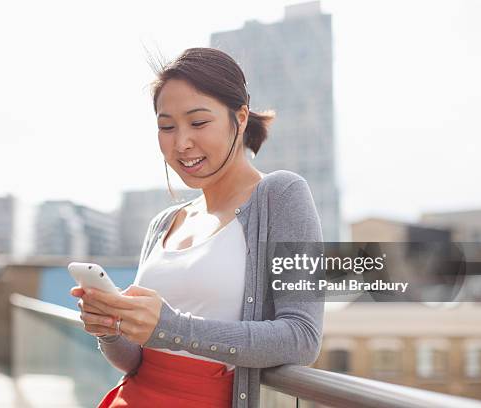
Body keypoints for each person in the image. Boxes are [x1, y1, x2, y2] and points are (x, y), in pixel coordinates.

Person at [70, 47, 324, 408]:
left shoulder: (281, 194)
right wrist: (110, 328)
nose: (181, 142)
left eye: (198, 122)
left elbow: (302, 338)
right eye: (166, 126)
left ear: (240, 116)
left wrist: (172, 328)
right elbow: (137, 361)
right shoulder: (164, 223)